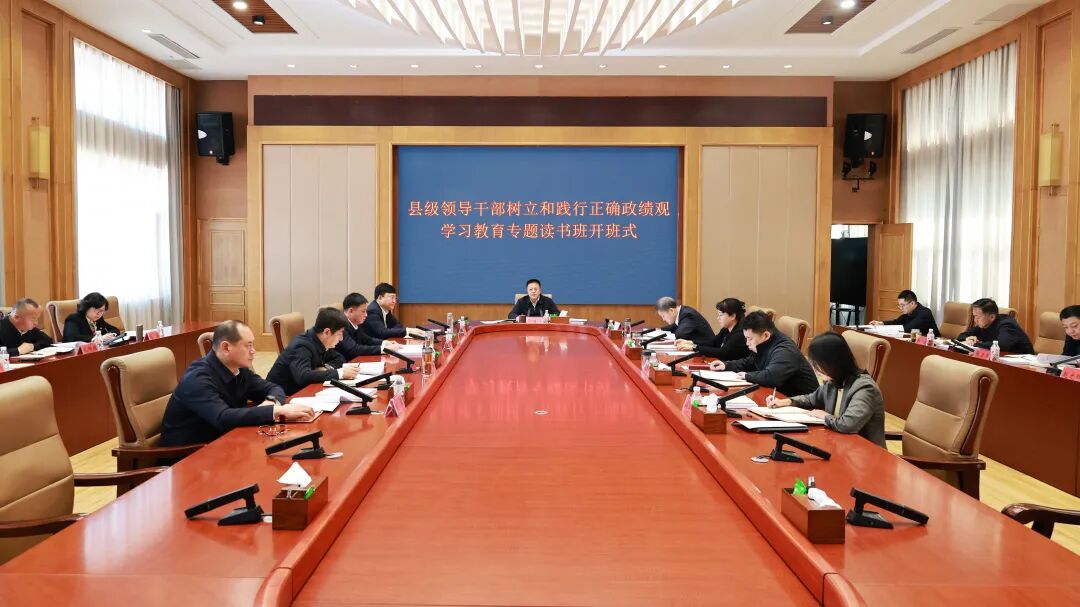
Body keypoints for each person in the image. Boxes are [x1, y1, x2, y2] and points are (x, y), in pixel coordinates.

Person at [159, 320, 314, 447]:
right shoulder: (197, 378)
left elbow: (273, 387)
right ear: (226, 347)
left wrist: (271, 402)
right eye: (248, 345)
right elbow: (222, 417)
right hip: (188, 456)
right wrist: (275, 411)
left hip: (226, 442)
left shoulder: (238, 369)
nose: (253, 351)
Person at [766, 332, 886, 447]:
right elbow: (811, 399)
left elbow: (848, 425)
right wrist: (786, 402)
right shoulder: (833, 381)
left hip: (864, 453)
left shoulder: (865, 388)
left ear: (833, 363)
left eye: (818, 365)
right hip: (838, 444)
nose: (816, 370)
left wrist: (824, 416)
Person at [709, 311, 818, 397]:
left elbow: (771, 377)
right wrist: (726, 365)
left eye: (750, 339)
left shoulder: (784, 350)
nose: (747, 343)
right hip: (779, 399)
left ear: (766, 335)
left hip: (803, 407)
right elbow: (751, 362)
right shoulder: (766, 343)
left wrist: (746, 375)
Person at [267, 307, 360, 395]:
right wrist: (340, 373)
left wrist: (325, 369)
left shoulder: (320, 341)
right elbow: (303, 376)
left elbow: (339, 358)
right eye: (340, 334)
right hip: (282, 396)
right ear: (327, 332)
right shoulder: (302, 346)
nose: (341, 339)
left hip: (304, 390)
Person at [676, 297, 751, 361]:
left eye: (720, 315)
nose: (718, 318)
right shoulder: (726, 329)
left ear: (733, 316)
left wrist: (695, 347)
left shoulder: (740, 333)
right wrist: (691, 343)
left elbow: (723, 353)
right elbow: (713, 343)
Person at [337, 292, 401, 360]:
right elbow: (354, 349)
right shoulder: (340, 325)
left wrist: (385, 343)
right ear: (351, 311)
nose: (366, 315)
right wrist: (384, 349)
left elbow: (367, 340)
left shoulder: (355, 323)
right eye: (363, 311)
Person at [957, 298, 1035, 354]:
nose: (975, 320)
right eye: (974, 316)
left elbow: (1001, 345)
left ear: (992, 317)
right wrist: (968, 339)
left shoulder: (1007, 324)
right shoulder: (983, 324)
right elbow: (961, 336)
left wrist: (974, 344)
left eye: (978, 317)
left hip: (1024, 364)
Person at [869, 290, 939, 335]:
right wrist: (881, 323)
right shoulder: (908, 312)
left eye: (902, 305)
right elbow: (897, 322)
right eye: (899, 305)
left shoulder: (925, 313)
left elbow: (907, 329)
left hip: (933, 345)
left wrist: (885, 330)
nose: (901, 308)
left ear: (912, 303)